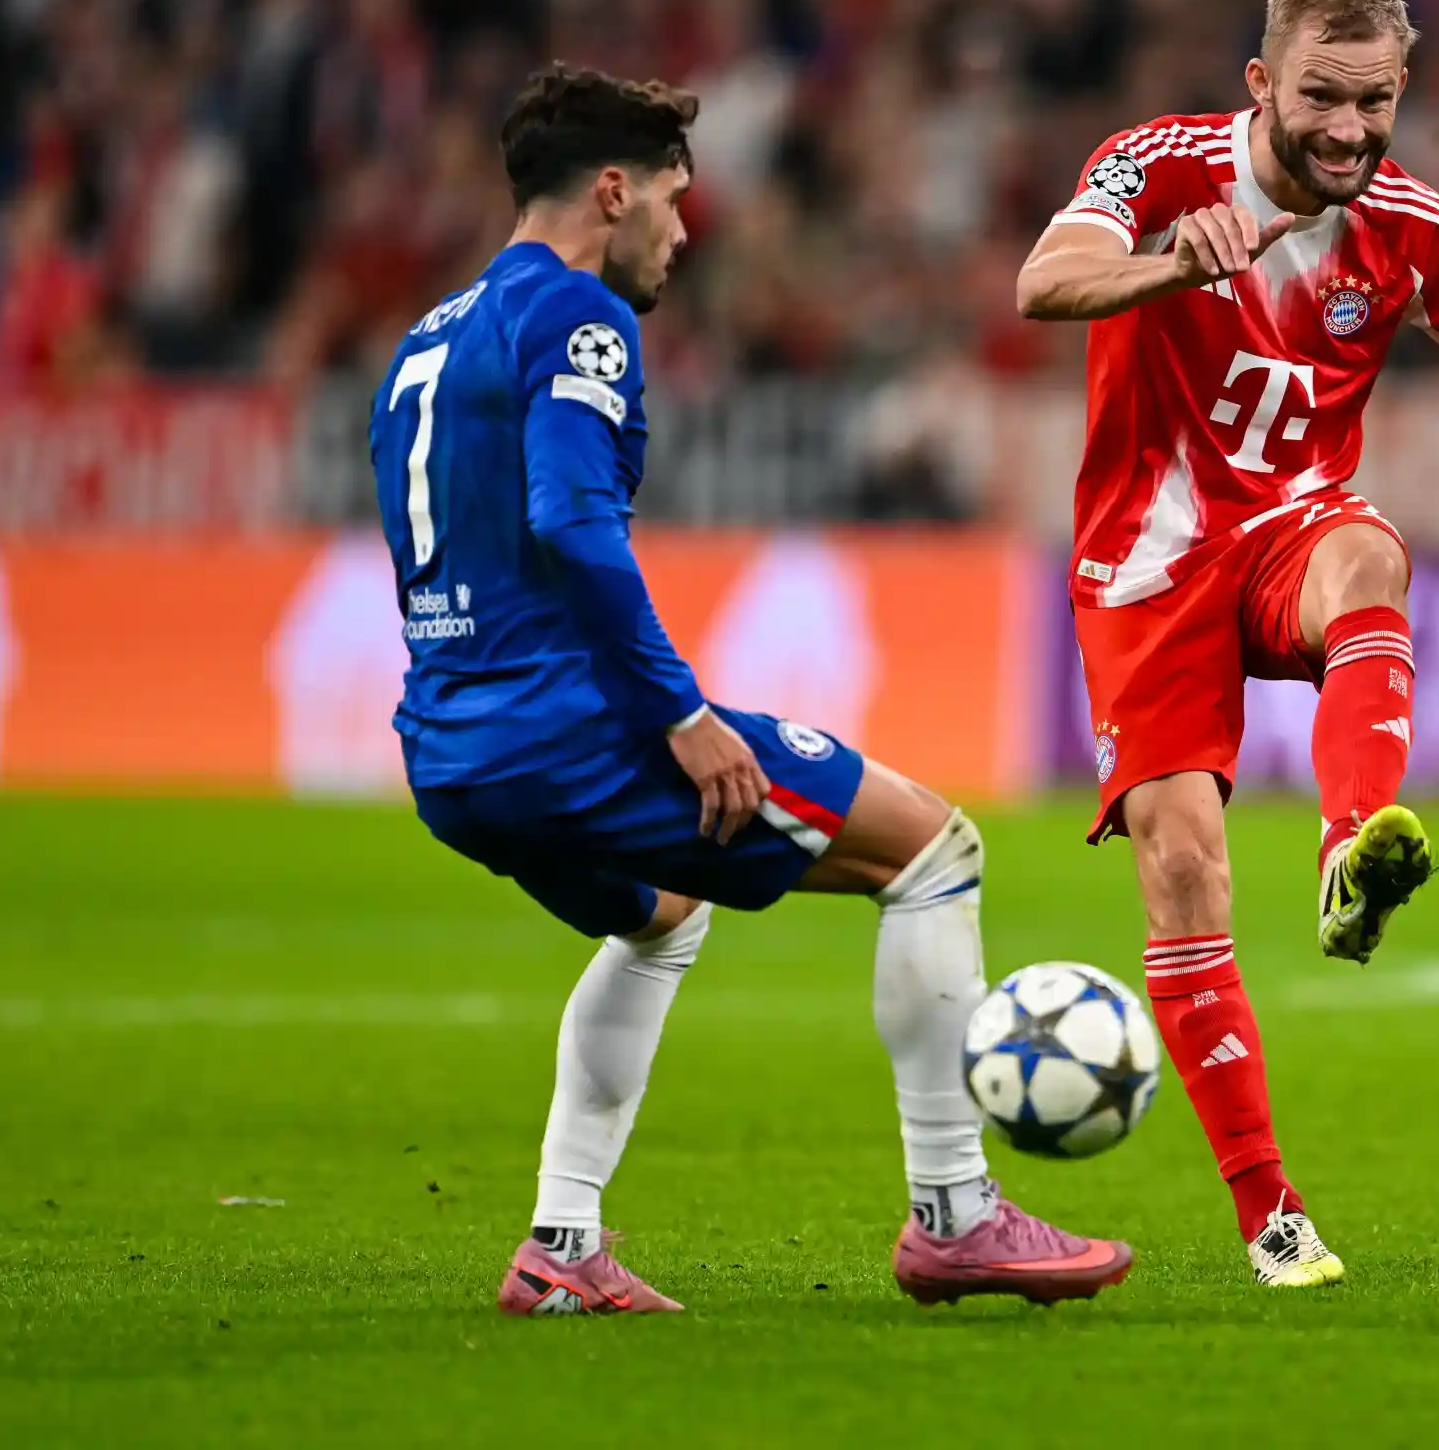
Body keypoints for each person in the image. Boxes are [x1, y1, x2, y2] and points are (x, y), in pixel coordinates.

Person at [369, 64, 1130, 1316]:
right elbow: (571, 523)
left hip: (449, 751)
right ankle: (957, 1212)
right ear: (611, 192)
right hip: (571, 733)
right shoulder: (578, 319)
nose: (684, 230)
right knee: (935, 848)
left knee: (664, 911)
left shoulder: (426, 340)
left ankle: (561, 1244)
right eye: (674, 200)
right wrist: (681, 713)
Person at [1015, 0, 1439, 1288]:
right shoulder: (1159, 167)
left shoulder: (1412, 228)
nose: (1351, 131)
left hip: (1289, 532)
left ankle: (1354, 847)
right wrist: (1163, 262)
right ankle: (1270, 1218)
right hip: (1147, 565)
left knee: (1369, 555)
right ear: (1261, 86)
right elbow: (1041, 282)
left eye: (1376, 102)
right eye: (1322, 100)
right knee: (1182, 867)